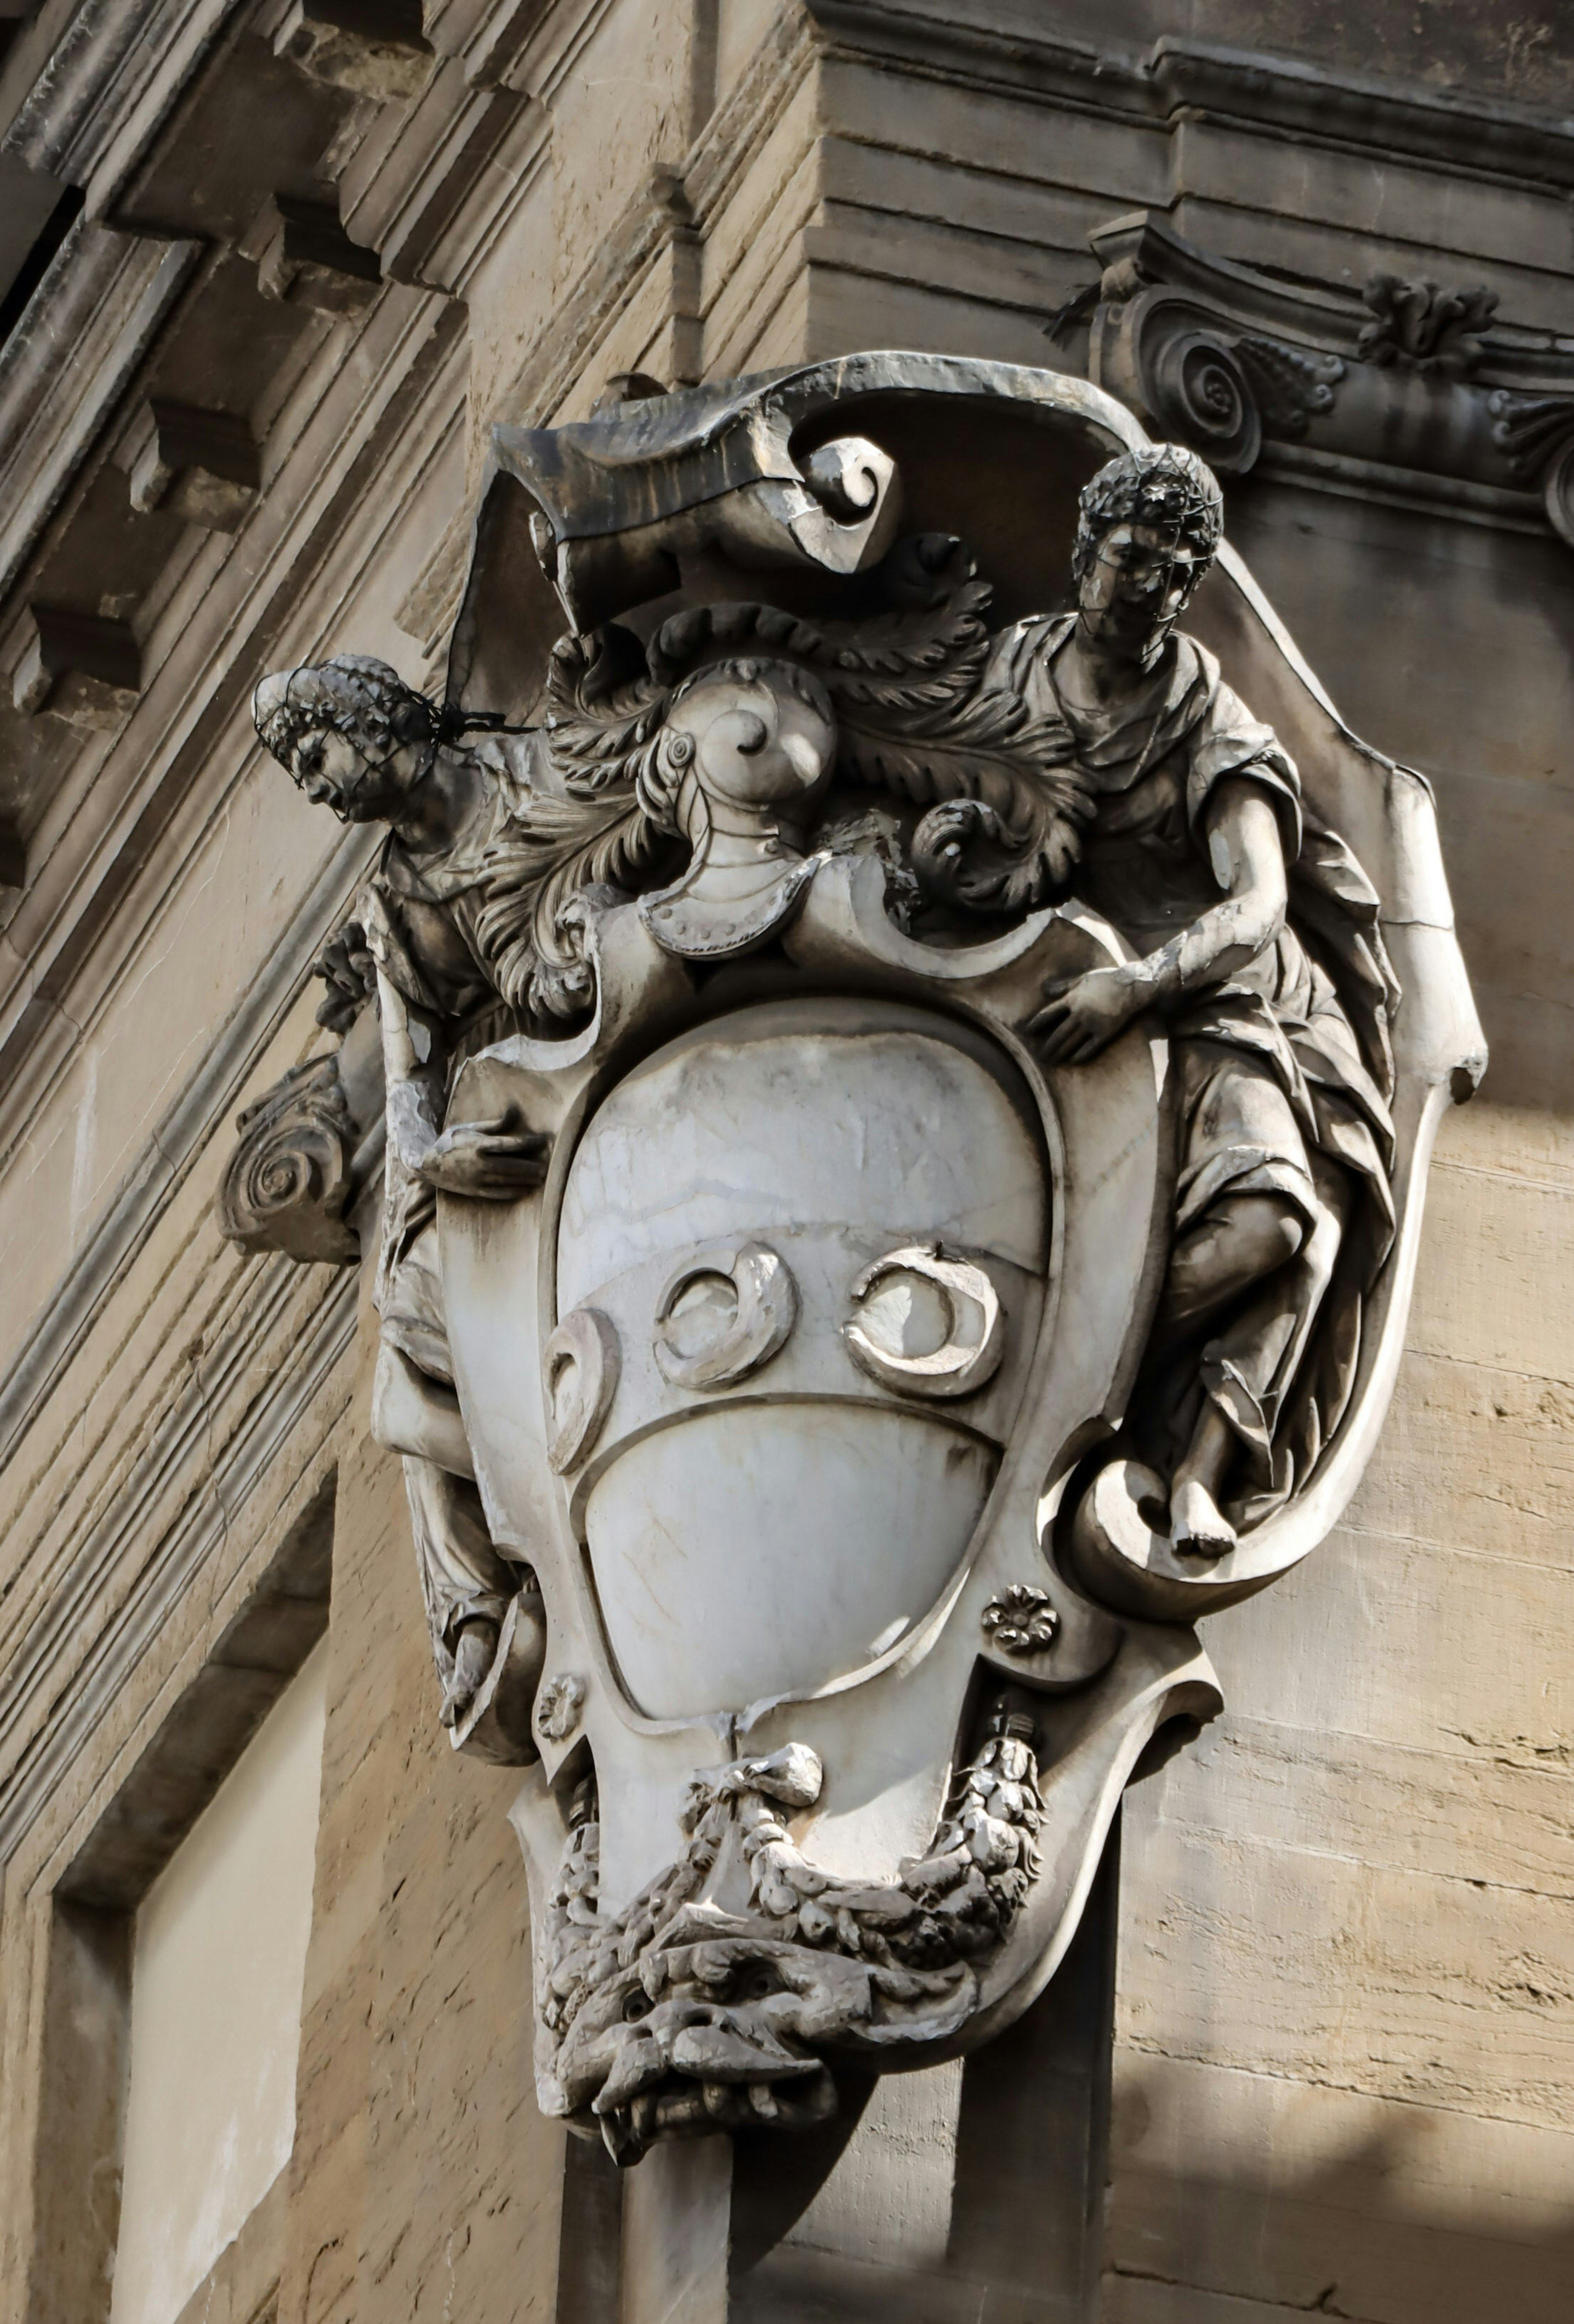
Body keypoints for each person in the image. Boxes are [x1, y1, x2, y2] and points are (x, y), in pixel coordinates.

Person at [990, 447, 1397, 1554]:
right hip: (1082, 997)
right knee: (1291, 1238)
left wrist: (1138, 987)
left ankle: (1183, 1451)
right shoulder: (1007, 677)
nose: (1147, 591)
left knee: (1286, 1229)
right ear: (1085, 554)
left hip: (1229, 1000)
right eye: (1130, 560)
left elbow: (1259, 900)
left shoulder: (1199, 710)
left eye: (1174, 576)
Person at [252, 655, 548, 1723]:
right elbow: (409, 1081)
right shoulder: (393, 900)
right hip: (484, 1127)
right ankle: (488, 1591)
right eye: (300, 771)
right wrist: (429, 1172)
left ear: (375, 718)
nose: (319, 785)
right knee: (401, 1359)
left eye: (315, 752)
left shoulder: (526, 773)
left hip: (569, 1068)